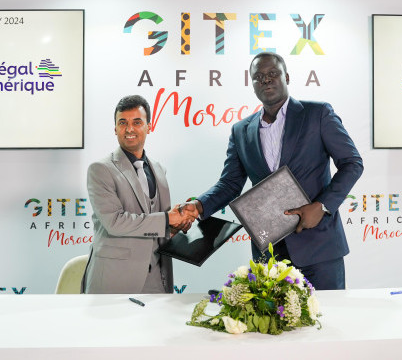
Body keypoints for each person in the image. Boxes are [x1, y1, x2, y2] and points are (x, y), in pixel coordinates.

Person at [185, 52, 363, 290]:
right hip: (269, 255)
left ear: (286, 77)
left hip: (319, 247)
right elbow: (230, 183)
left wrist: (321, 206)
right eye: (258, 77)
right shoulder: (241, 130)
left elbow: (352, 163)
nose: (266, 80)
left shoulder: (317, 114)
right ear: (252, 84)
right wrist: (199, 206)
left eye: (272, 73)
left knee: (326, 313)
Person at [82, 95, 196, 294]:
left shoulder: (159, 170)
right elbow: (114, 223)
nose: (129, 129)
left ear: (149, 127)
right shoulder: (100, 169)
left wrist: (175, 226)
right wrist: (167, 219)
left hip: (158, 278)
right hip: (115, 280)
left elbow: (155, 226)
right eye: (122, 123)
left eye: (137, 122)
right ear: (115, 128)